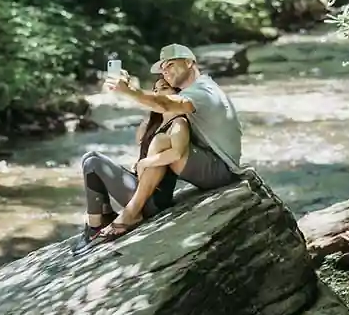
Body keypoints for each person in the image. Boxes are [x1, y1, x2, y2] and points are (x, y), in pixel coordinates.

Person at [99, 43, 243, 238]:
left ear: (189, 62)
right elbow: (159, 113)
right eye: (163, 69)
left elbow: (166, 103)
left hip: (220, 170)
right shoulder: (199, 88)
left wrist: (131, 92)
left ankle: (133, 212)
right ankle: (142, 204)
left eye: (171, 65)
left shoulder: (202, 91)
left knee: (162, 142)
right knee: (160, 140)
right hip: (213, 165)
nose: (166, 72)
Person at [72, 77, 190, 253]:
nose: (158, 92)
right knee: (90, 158)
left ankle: (95, 228)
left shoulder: (179, 123)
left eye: (165, 87)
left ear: (177, 94)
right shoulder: (151, 125)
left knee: (94, 161)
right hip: (142, 188)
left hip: (155, 199)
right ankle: (101, 218)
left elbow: (177, 153)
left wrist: (146, 162)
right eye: (155, 90)